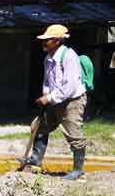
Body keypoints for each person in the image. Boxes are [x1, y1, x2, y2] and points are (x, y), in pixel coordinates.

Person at [27, 24, 88, 181]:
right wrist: (46, 95)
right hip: (55, 100)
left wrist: (49, 98)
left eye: (46, 40)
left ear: (56, 41)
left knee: (73, 134)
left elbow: (69, 86)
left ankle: (78, 170)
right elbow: (48, 81)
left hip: (71, 101)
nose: (43, 43)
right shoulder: (48, 58)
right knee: (40, 127)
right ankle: (35, 161)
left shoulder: (69, 57)